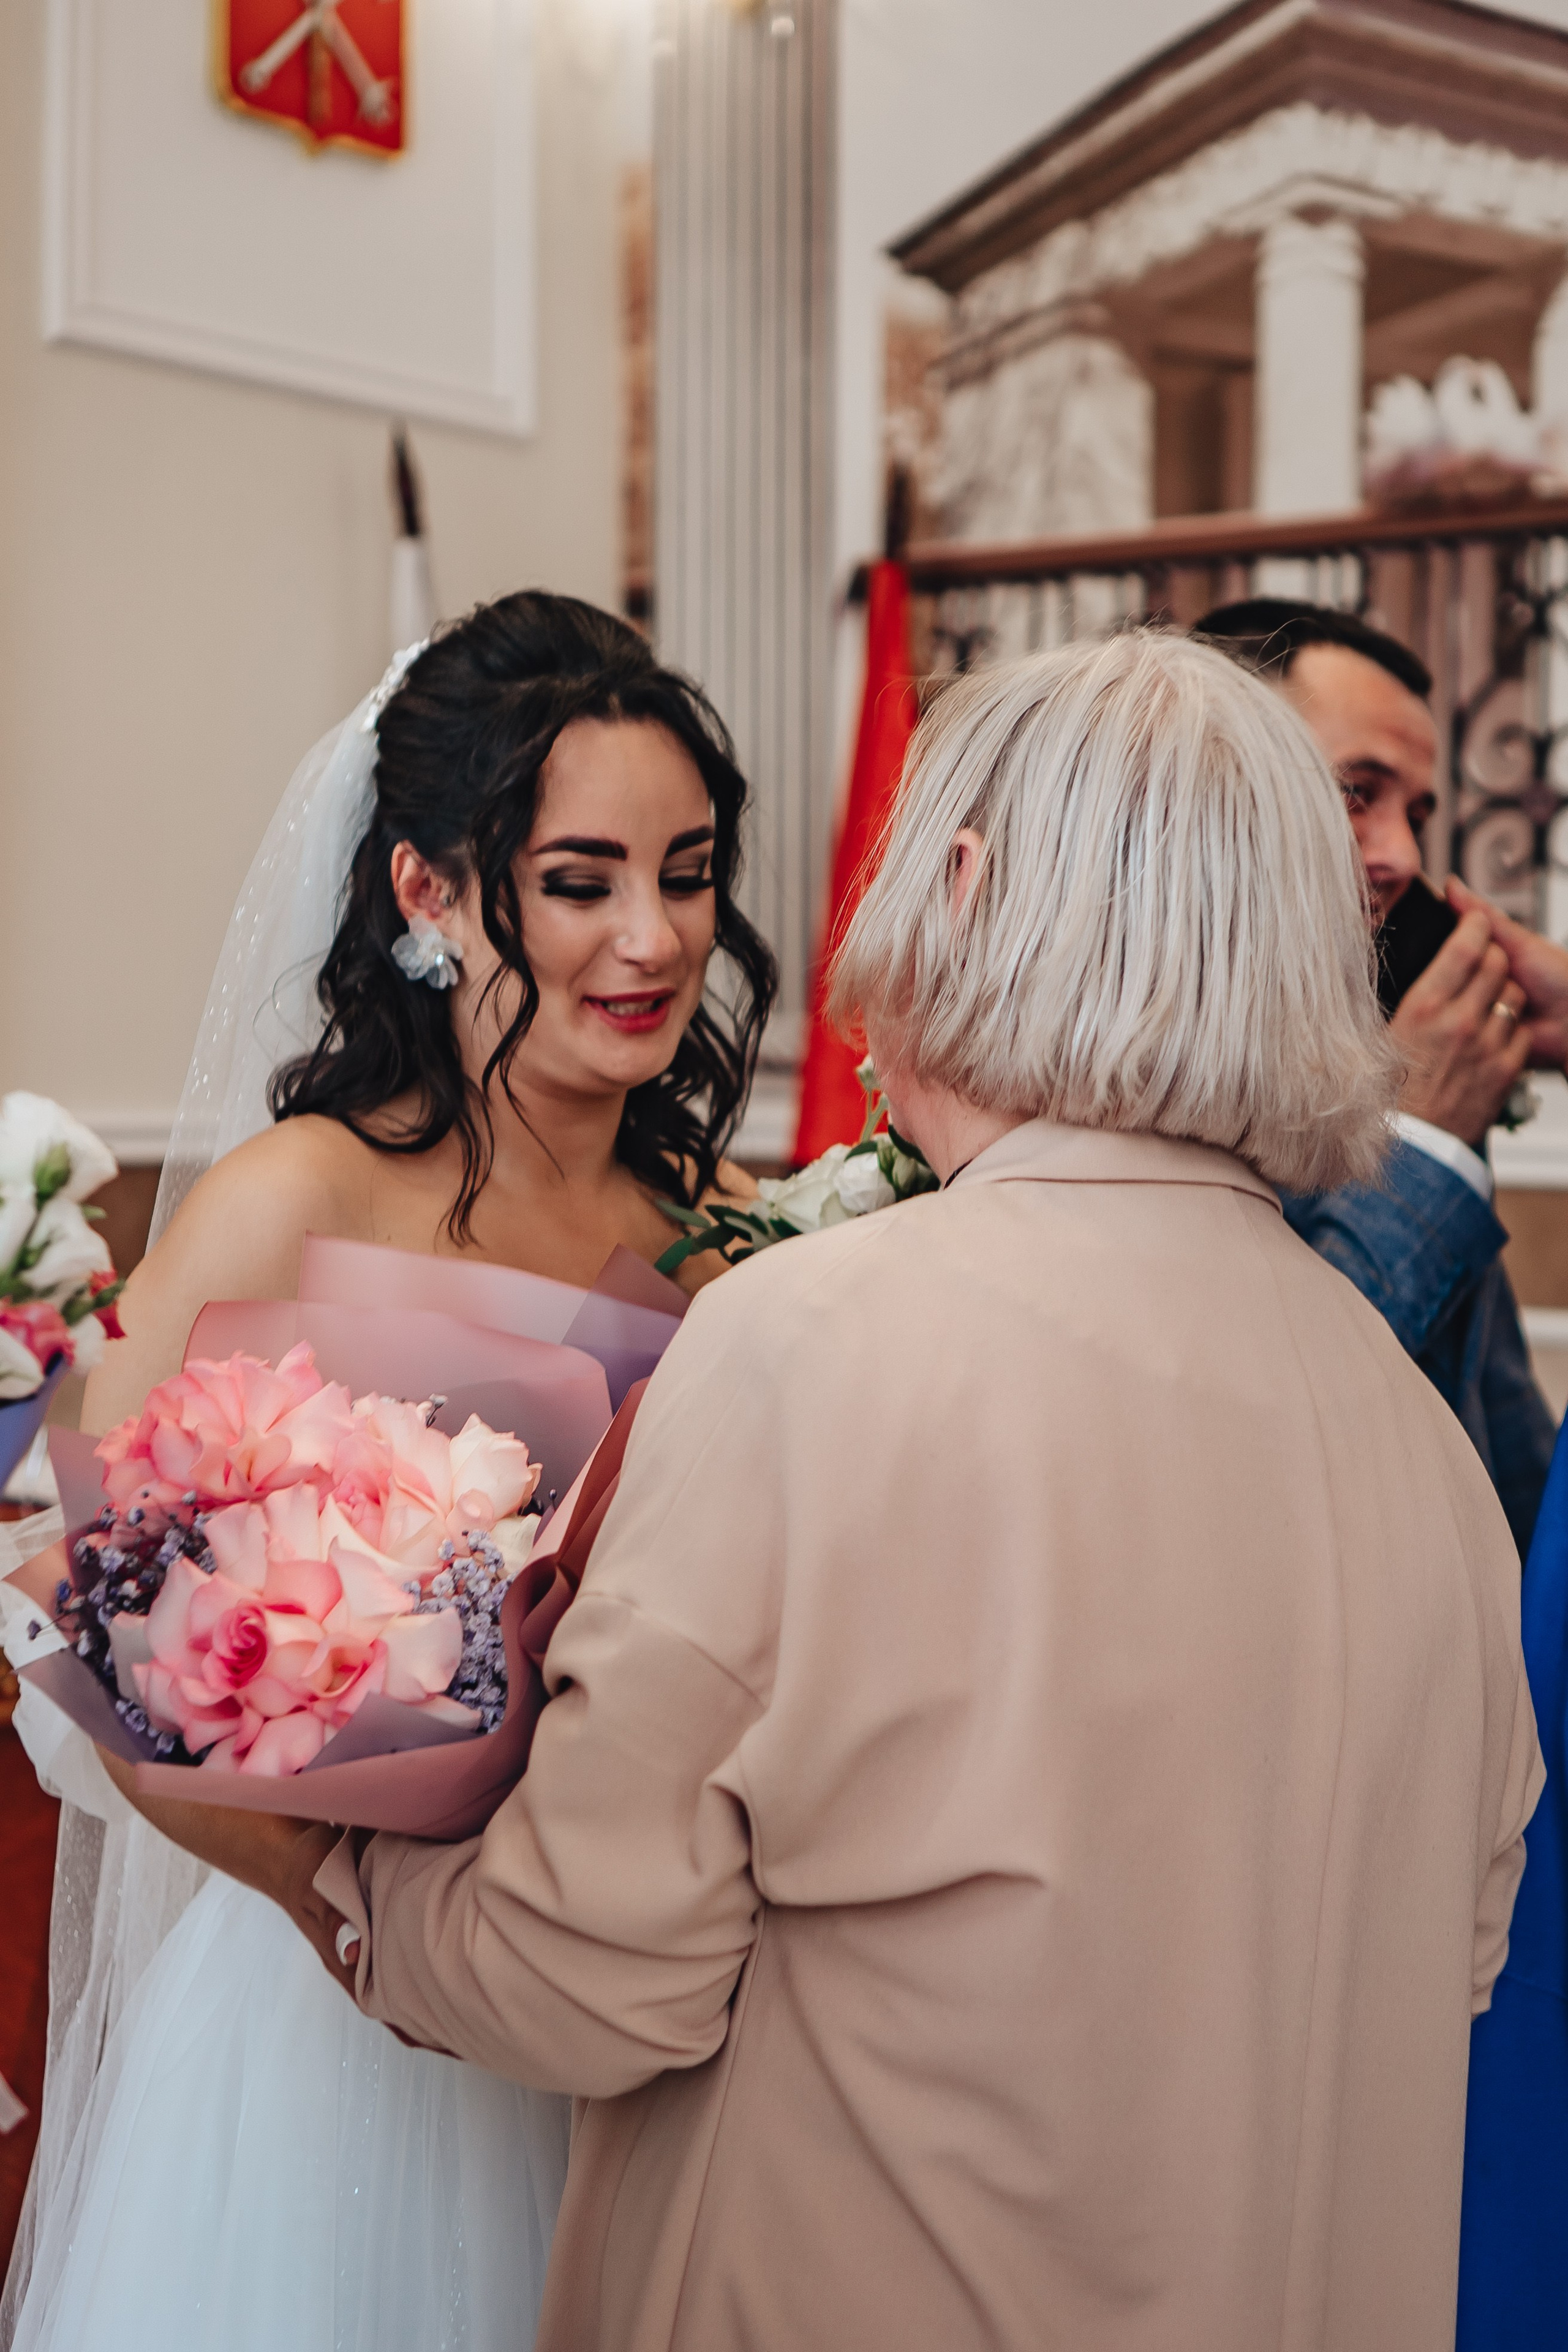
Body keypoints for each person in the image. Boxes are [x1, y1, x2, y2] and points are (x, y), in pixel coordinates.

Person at [134, 631, 1539, 2350]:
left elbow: (590, 1972)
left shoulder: (812, 1334)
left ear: (955, 888)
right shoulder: (1416, 1442)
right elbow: (1441, 1971)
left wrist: (339, 1890)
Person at [0, 591, 776, 2352]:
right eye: (580, 880)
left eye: (688, 868)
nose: (651, 938)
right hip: (318, 2027)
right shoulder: (302, 1195)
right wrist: (350, 1918)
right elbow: (89, 1636)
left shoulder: (719, 1247)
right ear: (428, 890)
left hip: (601, 2002)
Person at [1197, 598, 1561, 1556]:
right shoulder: (1121, 1073)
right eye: (1358, 792)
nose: (1402, 854)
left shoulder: (1398, 1044)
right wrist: (1425, 1144)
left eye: (1418, 811)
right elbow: (1245, 1436)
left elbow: (1505, 1440)